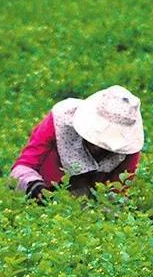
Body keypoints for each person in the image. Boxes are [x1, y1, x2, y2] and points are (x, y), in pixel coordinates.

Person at [10, 85, 144, 201]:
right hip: (46, 194)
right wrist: (34, 186)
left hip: (91, 205)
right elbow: (23, 166)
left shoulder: (128, 147)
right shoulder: (61, 120)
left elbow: (117, 193)